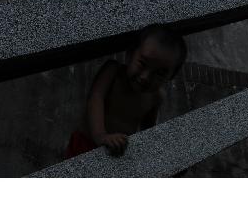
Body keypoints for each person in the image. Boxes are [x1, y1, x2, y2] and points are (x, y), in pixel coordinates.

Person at [66, 25, 188, 157]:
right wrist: (101, 135)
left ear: (171, 77)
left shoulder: (156, 96)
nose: (145, 77)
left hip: (117, 150)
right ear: (130, 55)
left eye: (159, 73)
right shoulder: (113, 71)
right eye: (142, 64)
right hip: (87, 141)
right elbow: (95, 98)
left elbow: (147, 126)